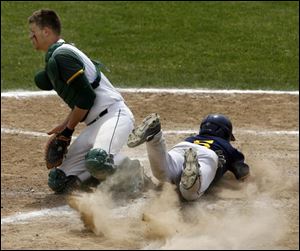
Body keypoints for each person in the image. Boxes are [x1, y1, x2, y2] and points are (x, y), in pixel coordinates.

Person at [28, 9, 138, 194]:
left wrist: (68, 130)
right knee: (60, 181)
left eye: (33, 32)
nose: (31, 37)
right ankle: (102, 176)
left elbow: (87, 98)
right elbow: (82, 99)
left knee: (98, 161)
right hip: (94, 125)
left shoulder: (62, 56)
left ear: (46, 31)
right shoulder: (57, 56)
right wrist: (64, 125)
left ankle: (133, 173)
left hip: (113, 116)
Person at [127, 113, 250, 201]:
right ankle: (196, 172)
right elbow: (243, 174)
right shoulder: (227, 147)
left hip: (183, 147)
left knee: (163, 173)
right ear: (225, 132)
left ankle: (155, 137)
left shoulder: (191, 138)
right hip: (208, 156)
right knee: (189, 194)